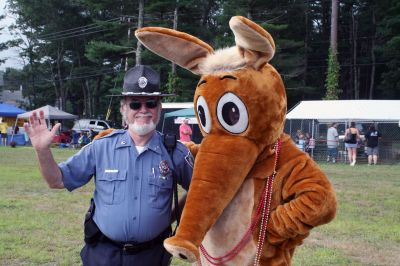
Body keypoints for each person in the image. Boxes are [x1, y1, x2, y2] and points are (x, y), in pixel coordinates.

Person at [24, 65, 194, 266]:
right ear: (123, 108)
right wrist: (42, 151)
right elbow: (57, 180)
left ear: (159, 108)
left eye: (150, 103)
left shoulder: (176, 152)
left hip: (152, 255)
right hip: (103, 254)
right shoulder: (101, 148)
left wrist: (174, 216)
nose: (143, 110)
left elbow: (200, 193)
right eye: (134, 105)